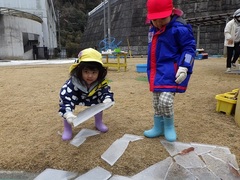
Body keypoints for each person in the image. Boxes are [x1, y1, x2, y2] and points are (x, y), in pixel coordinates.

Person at [144, 0, 196, 142]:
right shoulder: (152, 29)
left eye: (163, 18)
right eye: (155, 20)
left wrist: (185, 66)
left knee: (166, 102)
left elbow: (189, 48)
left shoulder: (180, 28)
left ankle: (169, 127)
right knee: (156, 103)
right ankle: (158, 127)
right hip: (156, 73)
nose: (159, 23)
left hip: (172, 72)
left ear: (171, 12)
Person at [58, 48, 114, 141]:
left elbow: (105, 91)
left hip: (92, 96)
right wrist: (67, 113)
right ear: (80, 70)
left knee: (100, 102)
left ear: (99, 72)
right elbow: (66, 98)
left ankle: (98, 122)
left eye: (94, 72)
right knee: (67, 108)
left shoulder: (100, 83)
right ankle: (67, 128)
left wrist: (107, 99)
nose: (90, 76)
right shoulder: (72, 83)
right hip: (76, 96)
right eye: (86, 71)